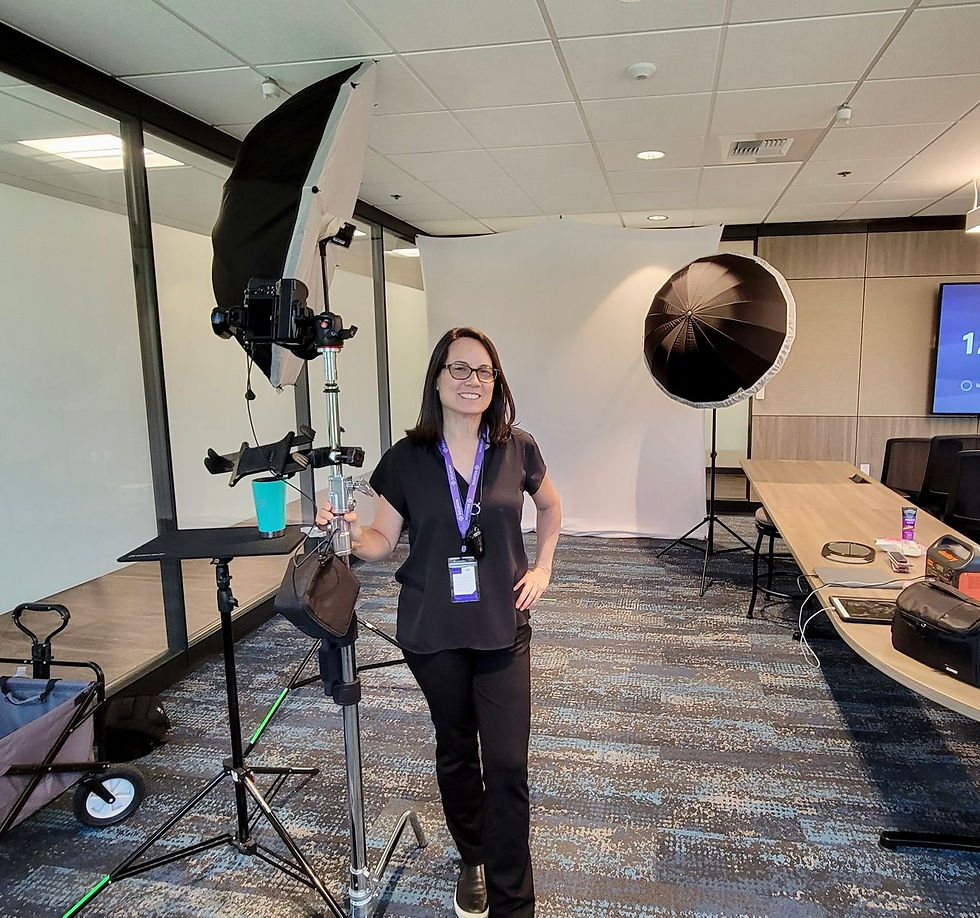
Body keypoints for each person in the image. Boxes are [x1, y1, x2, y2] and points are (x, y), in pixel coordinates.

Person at [316, 327, 561, 918]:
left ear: (495, 383)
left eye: (484, 372)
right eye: (460, 369)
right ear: (436, 378)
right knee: (455, 749)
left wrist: (546, 565)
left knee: (506, 765)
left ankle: (513, 902)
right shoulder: (406, 459)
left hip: (503, 625)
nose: (472, 381)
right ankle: (472, 857)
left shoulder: (516, 447)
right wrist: (348, 531)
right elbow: (381, 541)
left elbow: (551, 505)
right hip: (432, 630)